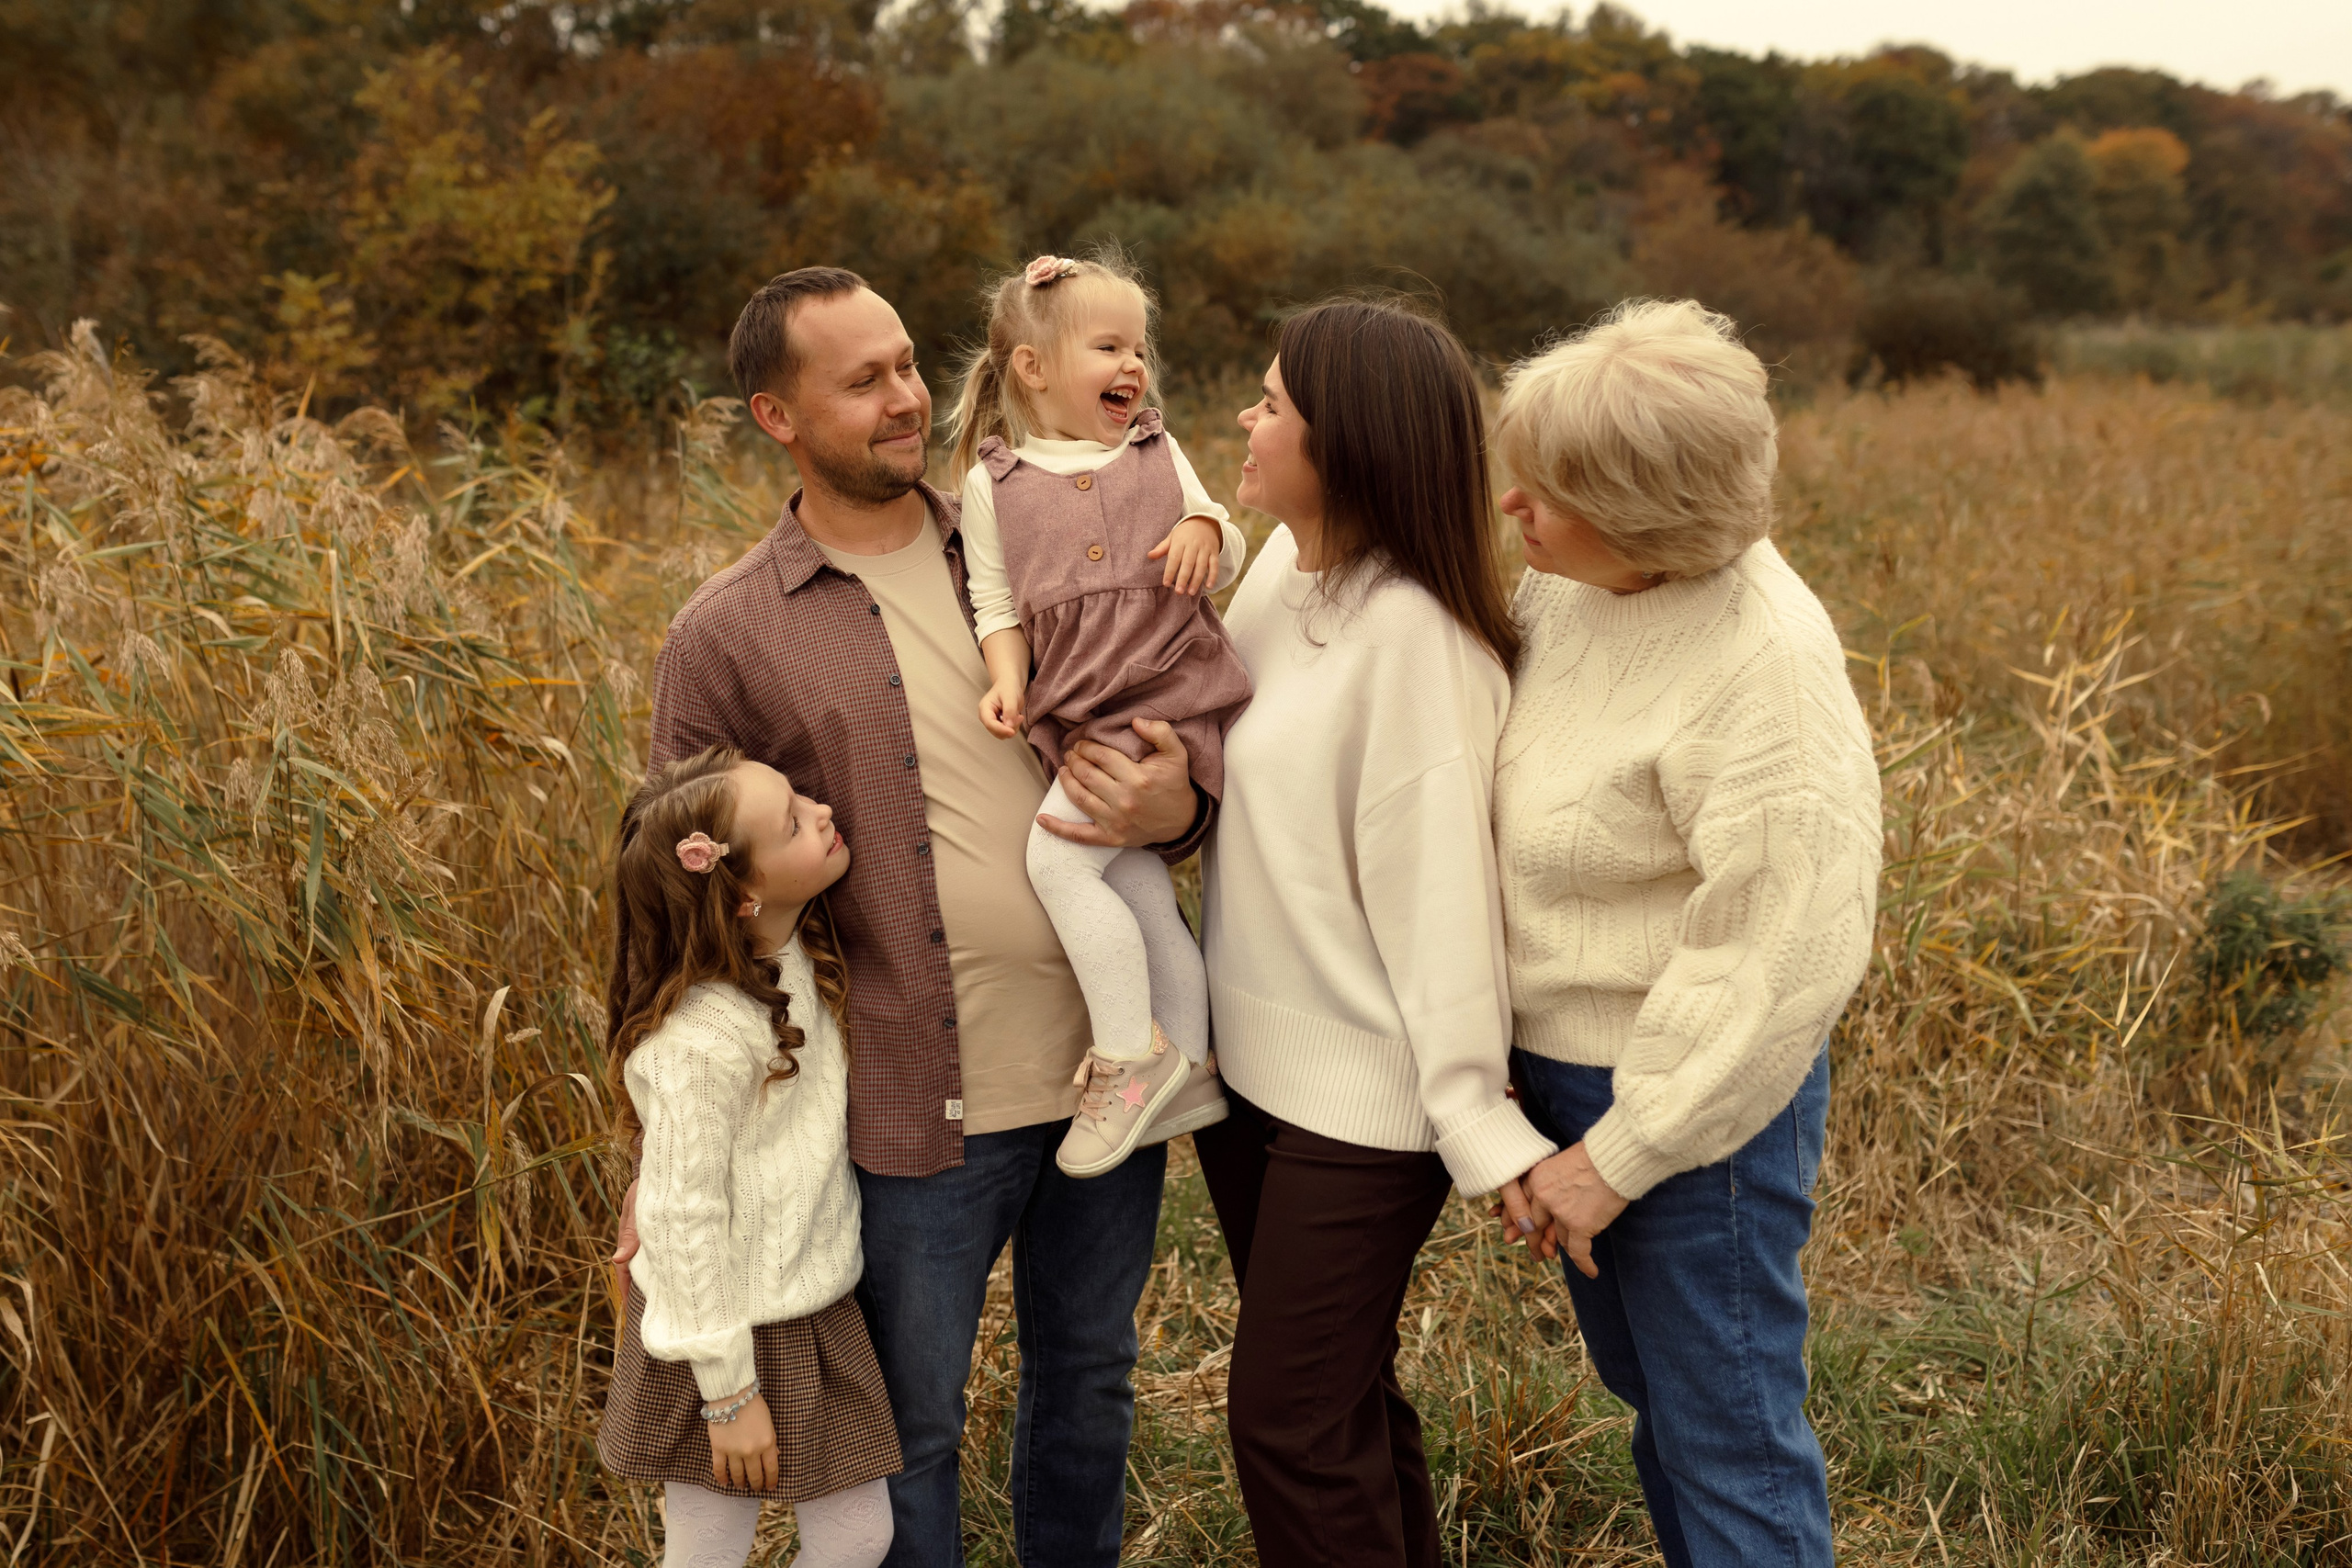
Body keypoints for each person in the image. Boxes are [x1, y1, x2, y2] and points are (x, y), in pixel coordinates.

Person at [613, 267, 1213, 1567]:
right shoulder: (726, 634)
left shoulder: (1028, 528)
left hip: (1115, 1068)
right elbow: (679, 910)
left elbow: (1175, 726)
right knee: (906, 1431)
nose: (905, 400)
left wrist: (1177, 805)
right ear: (776, 415)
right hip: (906, 1092)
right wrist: (659, 1159)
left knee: (1091, 1389)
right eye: (862, 380)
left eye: (906, 366)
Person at [1488, 299, 1882, 1568]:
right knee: (1663, 1414)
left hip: (1690, 1108)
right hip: (1570, 1088)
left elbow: (1780, 958)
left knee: (1733, 1448)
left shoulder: (1764, 663)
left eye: (1545, 492)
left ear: (1645, 514)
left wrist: (1620, 1153)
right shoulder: (1573, 584)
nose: (1512, 510)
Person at [1192, 298, 1560, 1568]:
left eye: (1274, 401)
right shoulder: (1277, 568)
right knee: (1340, 1398)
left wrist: (1472, 1113)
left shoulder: (1419, 636)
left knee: (1284, 1420)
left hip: (1366, 1096)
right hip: (1251, 1073)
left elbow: (1440, 901)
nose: (1247, 417)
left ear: (1344, 440)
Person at [951, 249, 1250, 1179]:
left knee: (1057, 858)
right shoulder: (991, 484)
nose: (1134, 367)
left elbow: (1221, 536)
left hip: (1166, 694)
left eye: (1140, 348)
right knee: (1133, 884)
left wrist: (1208, 530)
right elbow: (994, 602)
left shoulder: (1155, 450)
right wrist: (1006, 679)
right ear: (1033, 369)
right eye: (1108, 347)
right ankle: (1193, 1066)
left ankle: (1129, 1054)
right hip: (1081, 712)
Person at [597, 747, 899, 1568]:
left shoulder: (795, 955)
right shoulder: (700, 1039)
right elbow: (682, 1215)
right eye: (794, 821)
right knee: (707, 1548)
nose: (823, 809)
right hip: (716, 1334)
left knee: (861, 1535)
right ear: (741, 895)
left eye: (803, 795)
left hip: (809, 1306)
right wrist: (727, 1392)